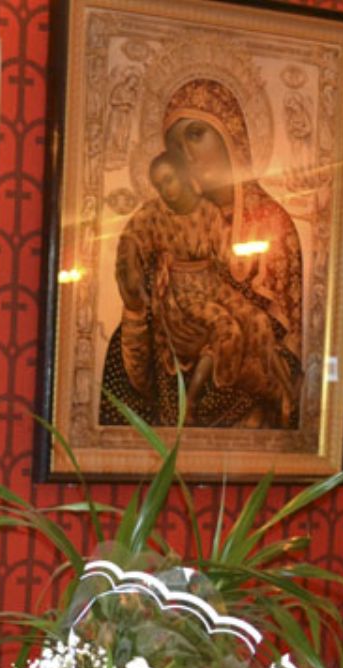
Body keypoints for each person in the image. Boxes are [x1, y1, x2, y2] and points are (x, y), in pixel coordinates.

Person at [101, 78, 303, 429]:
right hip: (171, 397)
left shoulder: (271, 223)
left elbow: (286, 339)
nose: (188, 155)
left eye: (196, 134)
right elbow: (135, 349)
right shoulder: (160, 219)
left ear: (231, 134)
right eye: (175, 146)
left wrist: (216, 346)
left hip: (246, 410)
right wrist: (138, 306)